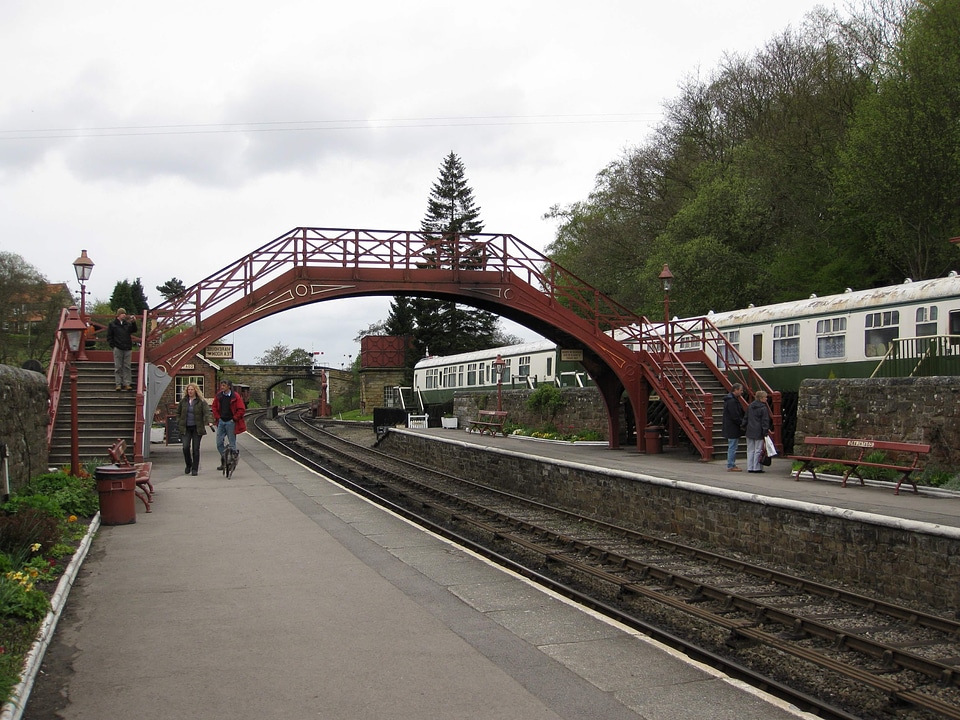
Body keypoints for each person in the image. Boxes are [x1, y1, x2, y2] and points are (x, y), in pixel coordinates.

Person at [177, 383, 213, 476]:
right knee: (185, 447)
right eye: (189, 390)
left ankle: (195, 468)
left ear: (195, 390)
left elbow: (207, 412)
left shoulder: (201, 401)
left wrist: (209, 421)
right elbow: (178, 413)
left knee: (195, 449)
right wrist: (179, 421)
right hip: (186, 427)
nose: (190, 391)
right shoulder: (183, 401)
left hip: (197, 428)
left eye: (192, 389)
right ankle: (188, 465)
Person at [212, 380, 246, 470]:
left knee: (232, 443)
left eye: (224, 385)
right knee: (219, 442)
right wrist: (218, 417)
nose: (222, 387)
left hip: (231, 422)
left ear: (229, 386)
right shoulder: (219, 396)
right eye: (221, 385)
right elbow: (214, 407)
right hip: (221, 422)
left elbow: (241, 409)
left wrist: (234, 418)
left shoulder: (235, 396)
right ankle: (226, 459)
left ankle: (232, 461)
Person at [106, 308, 137, 391]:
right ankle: (118, 384)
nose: (124, 315)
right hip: (118, 347)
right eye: (123, 313)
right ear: (118, 315)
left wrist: (133, 322)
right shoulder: (112, 324)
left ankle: (127, 383)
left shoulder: (127, 324)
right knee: (118, 366)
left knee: (127, 366)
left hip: (127, 347)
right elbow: (109, 336)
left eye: (125, 313)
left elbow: (134, 330)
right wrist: (113, 346)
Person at [742, 389, 773, 473]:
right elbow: (765, 421)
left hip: (750, 430)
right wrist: (765, 431)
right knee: (758, 450)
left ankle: (750, 467)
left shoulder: (750, 406)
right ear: (761, 398)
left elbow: (746, 418)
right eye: (765, 397)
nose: (766, 399)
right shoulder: (763, 408)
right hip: (759, 431)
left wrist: (744, 427)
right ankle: (757, 467)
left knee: (750, 449)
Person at [721, 383, 745, 472]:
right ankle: (731, 465)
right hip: (733, 427)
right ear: (736, 390)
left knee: (732, 446)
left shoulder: (730, 400)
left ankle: (731, 464)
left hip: (730, 426)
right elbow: (735, 415)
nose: (742, 392)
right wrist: (742, 423)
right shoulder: (732, 401)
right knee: (733, 446)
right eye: (740, 390)